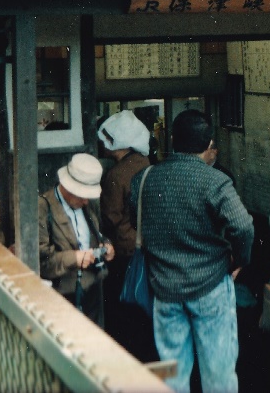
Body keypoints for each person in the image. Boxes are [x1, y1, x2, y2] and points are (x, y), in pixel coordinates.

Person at [130, 110, 254, 393]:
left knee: (172, 373)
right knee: (218, 372)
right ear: (209, 143)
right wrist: (238, 261)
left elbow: (133, 219)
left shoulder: (145, 178)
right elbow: (243, 227)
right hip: (211, 285)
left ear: (172, 139)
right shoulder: (215, 181)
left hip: (164, 288)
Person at [97, 110, 156, 360]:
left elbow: (110, 218)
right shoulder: (150, 166)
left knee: (124, 312)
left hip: (125, 254)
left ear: (115, 143)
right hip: (151, 250)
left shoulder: (115, 175)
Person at [39, 153, 116, 327]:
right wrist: (74, 258)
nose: (85, 201)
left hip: (92, 289)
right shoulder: (43, 207)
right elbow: (41, 259)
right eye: (81, 195)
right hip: (63, 295)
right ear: (67, 186)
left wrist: (106, 246)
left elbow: (98, 235)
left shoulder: (87, 205)